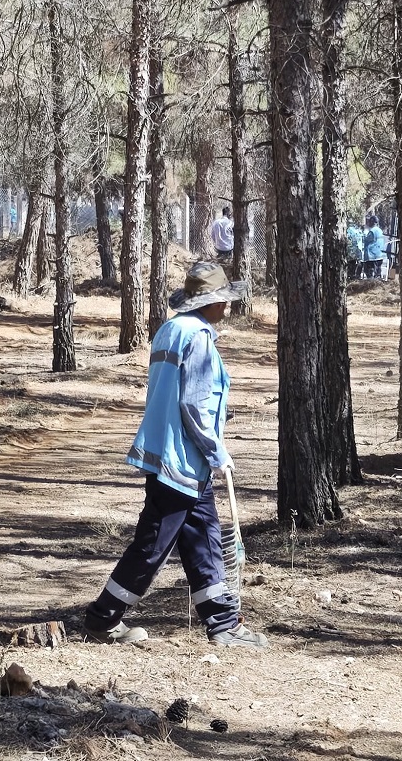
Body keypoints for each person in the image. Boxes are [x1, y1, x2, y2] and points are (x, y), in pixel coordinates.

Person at [76, 261, 267, 648]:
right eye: (223, 301)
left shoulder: (170, 329)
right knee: (151, 546)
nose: (227, 307)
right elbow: (195, 405)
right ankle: (102, 619)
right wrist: (216, 452)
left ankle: (224, 624)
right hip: (181, 460)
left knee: (204, 539)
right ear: (211, 303)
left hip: (172, 455)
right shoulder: (197, 337)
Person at [362, 215, 387, 280]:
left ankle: (370, 286)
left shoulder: (372, 231)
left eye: (369, 221)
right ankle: (377, 286)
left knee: (369, 273)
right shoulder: (380, 230)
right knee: (378, 273)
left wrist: (364, 234)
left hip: (372, 256)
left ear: (372, 222)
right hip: (379, 255)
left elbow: (366, 240)